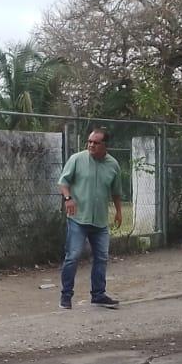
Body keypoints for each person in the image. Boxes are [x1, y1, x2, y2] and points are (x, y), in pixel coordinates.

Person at [56, 127, 124, 309]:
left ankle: (98, 295)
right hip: (78, 218)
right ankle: (66, 296)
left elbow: (116, 192)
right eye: (90, 142)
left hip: (100, 221)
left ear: (105, 145)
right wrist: (68, 198)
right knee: (73, 256)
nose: (91, 145)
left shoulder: (113, 165)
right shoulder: (77, 159)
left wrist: (119, 211)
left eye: (96, 142)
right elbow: (63, 182)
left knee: (101, 257)